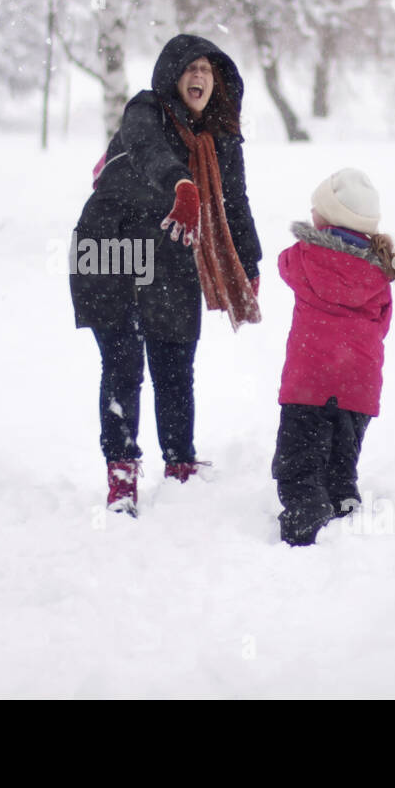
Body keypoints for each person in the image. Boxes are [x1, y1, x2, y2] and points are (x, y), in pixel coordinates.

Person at [70, 34, 262, 516]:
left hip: (171, 252)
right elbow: (147, 148)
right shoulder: (146, 110)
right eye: (190, 67)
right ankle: (121, 475)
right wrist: (180, 182)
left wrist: (250, 264)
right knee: (123, 362)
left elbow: (235, 204)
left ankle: (179, 466)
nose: (199, 77)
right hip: (109, 242)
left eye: (208, 69)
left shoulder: (220, 139)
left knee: (176, 360)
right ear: (172, 74)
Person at [270, 167, 395, 546]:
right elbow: (382, 324)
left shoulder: (304, 258)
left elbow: (282, 264)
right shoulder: (379, 271)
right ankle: (344, 504)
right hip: (358, 385)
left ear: (327, 218)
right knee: (340, 463)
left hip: (308, 381)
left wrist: (310, 239)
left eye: (316, 209)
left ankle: (305, 517)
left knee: (298, 463)